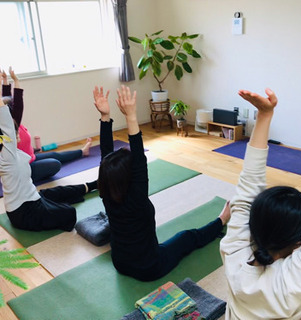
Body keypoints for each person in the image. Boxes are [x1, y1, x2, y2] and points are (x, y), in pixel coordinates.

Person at [93, 85, 230, 281]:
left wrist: (105, 117)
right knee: (187, 237)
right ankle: (221, 220)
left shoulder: (106, 190)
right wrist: (131, 116)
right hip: (149, 268)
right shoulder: (137, 196)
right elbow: (139, 157)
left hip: (120, 263)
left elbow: (107, 156)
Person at [220, 88, 301, 319]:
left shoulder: (234, 252)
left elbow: (246, 192)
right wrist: (265, 115)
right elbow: (246, 195)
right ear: (298, 242)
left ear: (252, 225)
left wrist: (264, 115)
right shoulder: (299, 281)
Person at [0, 96, 97, 231]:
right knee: (69, 213)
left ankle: (94, 184)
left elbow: (9, 118)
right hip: (24, 212)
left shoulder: (10, 153)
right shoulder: (7, 155)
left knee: (58, 192)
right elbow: (6, 124)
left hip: (31, 198)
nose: (19, 137)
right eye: (16, 135)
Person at [0, 67, 92, 183]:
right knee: (55, 164)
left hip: (31, 157)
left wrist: (5, 81)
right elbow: (17, 102)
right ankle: (24, 179)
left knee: (55, 155)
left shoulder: (13, 121)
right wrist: (15, 80)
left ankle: (83, 151)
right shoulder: (9, 126)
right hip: (24, 169)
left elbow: (8, 99)